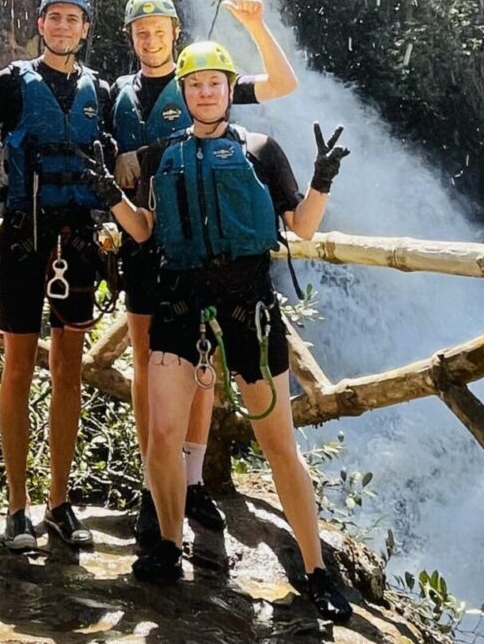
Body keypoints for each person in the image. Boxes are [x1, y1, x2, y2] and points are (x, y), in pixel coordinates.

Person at [94, 40, 353, 622]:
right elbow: (144, 231)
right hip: (180, 304)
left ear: (229, 90)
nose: (205, 93)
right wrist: (110, 196)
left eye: (215, 84)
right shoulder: (165, 156)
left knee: (279, 443)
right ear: (183, 94)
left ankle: (315, 569)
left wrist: (322, 179)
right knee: (162, 435)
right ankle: (166, 543)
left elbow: (303, 228)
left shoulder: (261, 150)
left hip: (246, 308)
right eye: (195, 85)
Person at [112, 0, 299, 549]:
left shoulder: (203, 81)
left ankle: (191, 483)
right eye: (140, 30)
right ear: (131, 37)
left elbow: (280, 85)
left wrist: (258, 27)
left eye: (158, 28)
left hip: (202, 251)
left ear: (174, 31)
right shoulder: (115, 92)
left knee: (204, 370)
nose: (150, 38)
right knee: (150, 365)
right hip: (144, 235)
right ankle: (156, 488)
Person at [0, 0, 114, 550]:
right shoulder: (13, 84)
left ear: (86, 29)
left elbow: (119, 162)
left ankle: (58, 503)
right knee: (17, 366)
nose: (63, 27)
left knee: (68, 371)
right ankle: (17, 506)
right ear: (40, 24)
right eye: (54, 18)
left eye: (74, 19)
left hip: (80, 240)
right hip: (25, 235)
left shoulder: (102, 92)